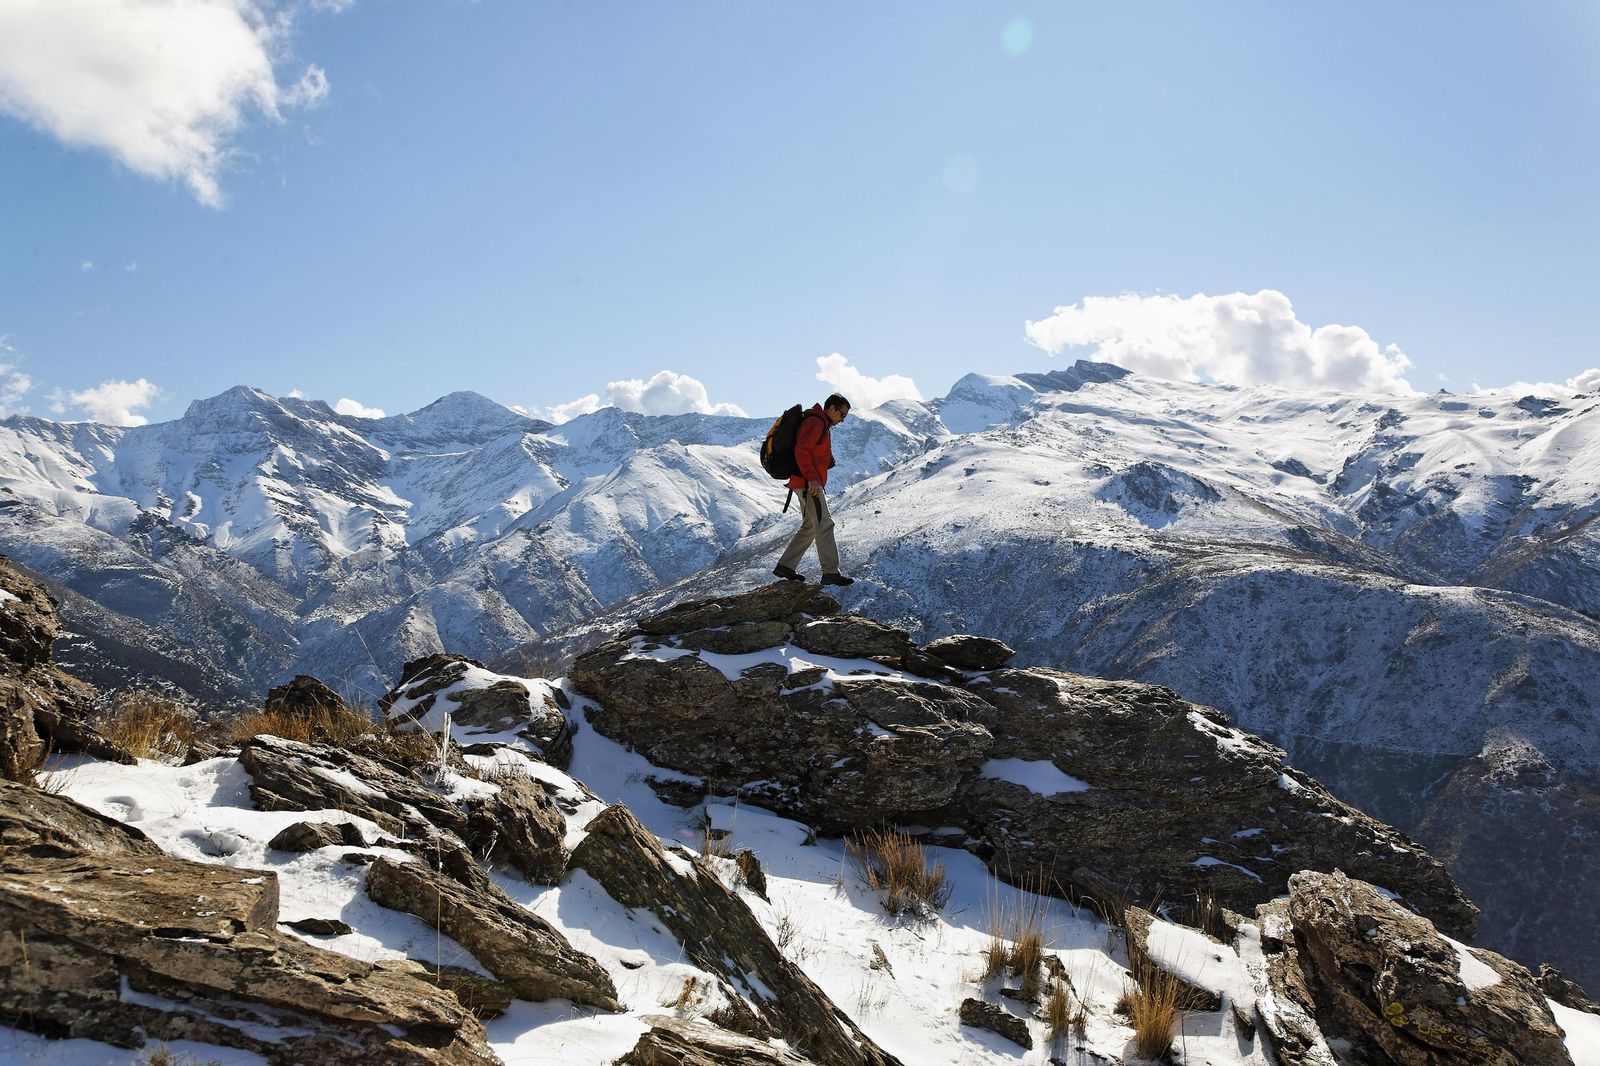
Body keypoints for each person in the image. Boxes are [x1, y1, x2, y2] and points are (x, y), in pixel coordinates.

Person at [773, 393, 854, 586]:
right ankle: (830, 572)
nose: (842, 420)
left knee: (810, 525)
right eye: (842, 415)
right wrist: (812, 479)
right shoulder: (816, 423)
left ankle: (786, 566)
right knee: (824, 524)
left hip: (804, 482)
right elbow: (802, 449)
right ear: (832, 408)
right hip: (809, 484)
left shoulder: (820, 423)